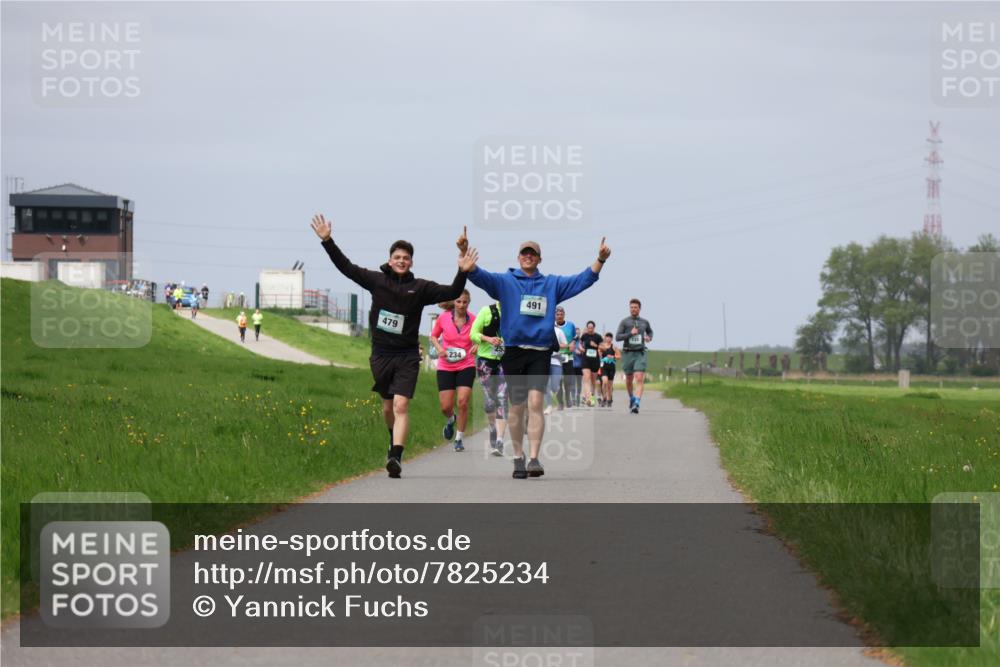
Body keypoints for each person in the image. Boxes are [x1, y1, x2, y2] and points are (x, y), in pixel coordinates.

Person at [311, 214, 477, 478]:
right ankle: (392, 436)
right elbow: (346, 267)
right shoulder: (376, 281)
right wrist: (328, 240)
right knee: (388, 408)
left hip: (408, 355)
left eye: (406, 258)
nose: (402, 261)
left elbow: (451, 291)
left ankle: (396, 457)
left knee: (401, 406)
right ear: (390, 260)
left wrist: (462, 270)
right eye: (397, 257)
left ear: (411, 262)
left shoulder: (420, 287)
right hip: (381, 355)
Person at [459, 231, 611, 479]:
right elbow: (478, 275)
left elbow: (582, 280)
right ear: (519, 258)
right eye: (524, 253)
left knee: (536, 404)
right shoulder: (505, 282)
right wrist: (464, 254)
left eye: (533, 254)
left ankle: (533, 459)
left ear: (539, 259)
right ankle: (518, 457)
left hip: (540, 352)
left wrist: (600, 260)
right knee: (517, 406)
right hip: (513, 352)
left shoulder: (551, 284)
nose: (528, 257)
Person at [430, 290, 477, 452]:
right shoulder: (444, 318)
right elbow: (434, 336)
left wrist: (477, 345)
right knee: (445, 406)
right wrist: (439, 349)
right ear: (454, 303)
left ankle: (459, 439)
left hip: (466, 364)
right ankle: (451, 419)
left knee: (463, 402)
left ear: (468, 303)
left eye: (464, 302)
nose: (461, 305)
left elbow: (480, 338)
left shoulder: (474, 320)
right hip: (446, 365)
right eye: (458, 302)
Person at [470, 301, 508, 457]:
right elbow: (473, 334)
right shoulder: (486, 311)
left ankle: (499, 441)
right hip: (485, 361)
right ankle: (492, 427)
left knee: (502, 399)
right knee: (489, 403)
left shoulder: (514, 311)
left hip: (506, 361)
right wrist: (487, 339)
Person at [616, 298, 654, 414]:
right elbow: (617, 337)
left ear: (639, 309)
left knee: (639, 377)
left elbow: (650, 332)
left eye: (635, 307)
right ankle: (632, 398)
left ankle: (637, 403)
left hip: (640, 353)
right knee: (628, 380)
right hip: (628, 353)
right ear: (629, 308)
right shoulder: (624, 322)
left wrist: (649, 337)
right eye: (631, 307)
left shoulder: (644, 322)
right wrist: (630, 334)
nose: (633, 309)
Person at [554, 306, 577, 410]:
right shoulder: (551, 326)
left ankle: (567, 397)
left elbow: (575, 337)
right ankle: (560, 402)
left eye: (561, 314)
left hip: (568, 356)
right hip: (556, 356)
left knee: (568, 380)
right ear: (555, 315)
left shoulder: (570, 325)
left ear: (564, 315)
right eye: (557, 314)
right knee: (558, 380)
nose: (559, 316)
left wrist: (572, 343)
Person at [545, 324, 568, 415]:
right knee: (545, 384)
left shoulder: (559, 331)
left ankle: (557, 392)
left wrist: (556, 345)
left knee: (554, 386)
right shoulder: (541, 328)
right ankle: (549, 406)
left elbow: (565, 344)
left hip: (556, 360)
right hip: (543, 360)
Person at [578, 321, 602, 407]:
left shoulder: (598, 337)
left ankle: (591, 396)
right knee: (586, 378)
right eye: (589, 328)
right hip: (585, 360)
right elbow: (580, 344)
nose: (590, 329)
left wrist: (595, 345)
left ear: (594, 328)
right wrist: (581, 349)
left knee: (593, 380)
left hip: (595, 361)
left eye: (591, 328)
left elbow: (603, 347)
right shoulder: (584, 336)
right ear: (587, 328)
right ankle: (588, 398)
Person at [598, 332, 620, 408]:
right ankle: (604, 397)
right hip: (604, 366)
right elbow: (598, 354)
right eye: (607, 337)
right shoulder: (601, 346)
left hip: (611, 367)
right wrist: (600, 354)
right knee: (604, 382)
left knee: (610, 386)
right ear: (605, 338)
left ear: (612, 339)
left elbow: (619, 356)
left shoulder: (614, 347)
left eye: (610, 337)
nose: (608, 338)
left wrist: (613, 357)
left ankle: (609, 400)